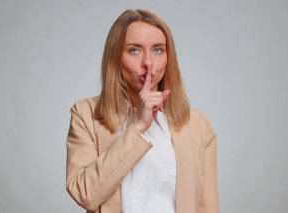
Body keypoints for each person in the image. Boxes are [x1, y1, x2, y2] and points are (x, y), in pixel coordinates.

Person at [66, 9, 219, 213]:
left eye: (158, 50)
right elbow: (85, 194)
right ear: (115, 57)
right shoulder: (86, 114)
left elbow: (206, 207)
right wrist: (137, 127)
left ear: (168, 57)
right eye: (134, 50)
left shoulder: (198, 124)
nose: (148, 62)